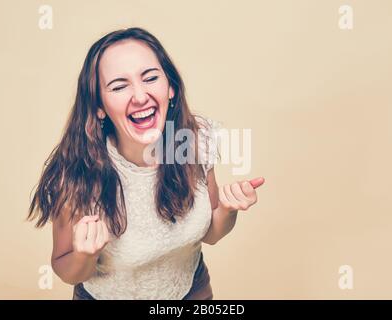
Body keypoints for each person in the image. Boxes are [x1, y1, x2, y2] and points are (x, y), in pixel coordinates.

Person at [27, 27, 264, 300]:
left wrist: (228, 209)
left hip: (191, 291)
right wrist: (85, 255)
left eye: (150, 78)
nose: (140, 97)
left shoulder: (195, 141)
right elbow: (66, 269)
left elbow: (210, 234)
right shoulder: (76, 172)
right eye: (119, 86)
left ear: (171, 88)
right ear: (99, 106)